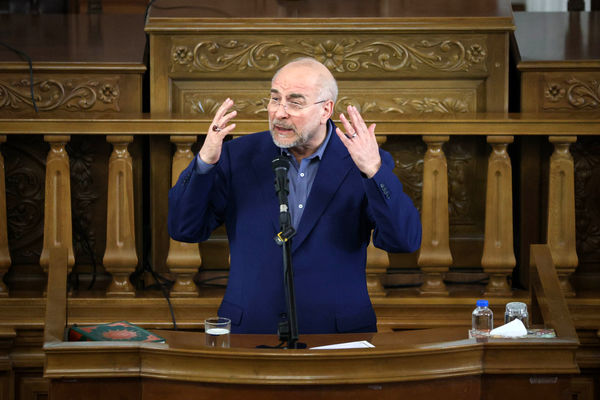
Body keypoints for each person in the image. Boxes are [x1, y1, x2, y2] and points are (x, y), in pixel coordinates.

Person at [168, 57, 421, 334]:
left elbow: (403, 241)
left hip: (337, 335)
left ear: (326, 110)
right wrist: (204, 163)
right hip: (252, 331)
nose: (279, 112)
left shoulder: (361, 160)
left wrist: (374, 172)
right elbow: (184, 228)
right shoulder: (237, 155)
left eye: (295, 103)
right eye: (275, 99)